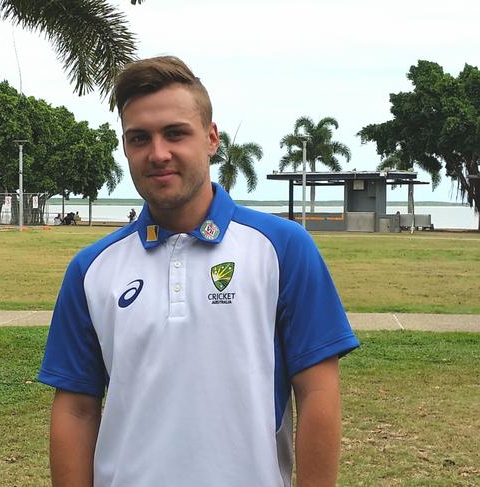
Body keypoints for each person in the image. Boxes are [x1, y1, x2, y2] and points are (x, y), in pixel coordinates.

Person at [39, 56, 359, 487]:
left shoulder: (283, 249)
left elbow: (318, 393)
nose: (158, 153)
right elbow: (76, 409)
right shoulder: (91, 270)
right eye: (139, 138)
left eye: (175, 133)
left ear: (211, 138)